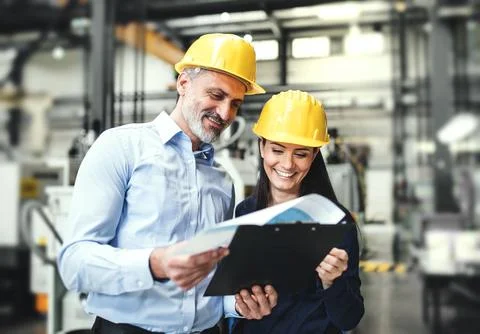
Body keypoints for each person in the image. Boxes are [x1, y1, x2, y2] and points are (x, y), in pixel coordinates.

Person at [57, 33, 278, 334]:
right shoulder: (121, 148)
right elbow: (74, 263)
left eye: (235, 104)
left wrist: (237, 304)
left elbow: (209, 281)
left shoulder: (222, 180)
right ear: (183, 84)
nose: (225, 113)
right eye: (216, 95)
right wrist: (155, 264)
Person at [230, 90, 364, 334]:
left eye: (300, 153)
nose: (287, 164)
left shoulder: (335, 222)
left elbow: (349, 319)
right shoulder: (245, 212)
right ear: (262, 147)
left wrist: (330, 282)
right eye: (277, 150)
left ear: (313, 156)